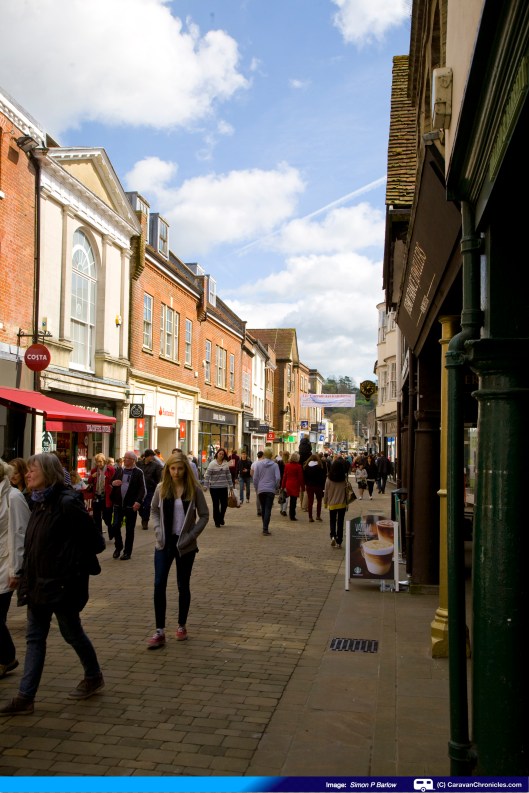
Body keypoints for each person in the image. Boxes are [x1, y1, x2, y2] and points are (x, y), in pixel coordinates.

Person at [0, 453, 105, 715]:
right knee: (35, 638)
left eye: (32, 470)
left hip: (61, 585)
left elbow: (95, 542)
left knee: (71, 633)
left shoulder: (67, 502)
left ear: (48, 472)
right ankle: (25, 697)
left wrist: (67, 564)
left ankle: (93, 675)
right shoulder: (36, 501)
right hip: (38, 583)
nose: (27, 474)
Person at [147, 453, 209, 648]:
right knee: (159, 584)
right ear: (168, 470)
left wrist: (192, 536)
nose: (176, 472)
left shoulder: (194, 489)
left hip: (185, 545)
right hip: (164, 543)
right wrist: (158, 531)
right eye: (173, 468)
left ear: (186, 469)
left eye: (180, 468)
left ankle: (182, 625)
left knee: (183, 585)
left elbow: (204, 515)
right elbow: (154, 510)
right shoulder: (161, 488)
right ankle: (159, 630)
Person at [0, 459, 30, 679]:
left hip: (5, 565)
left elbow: (21, 534)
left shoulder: (13, 497)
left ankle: (7, 657)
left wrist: (16, 570)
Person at [109, 452, 146, 560]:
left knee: (129, 530)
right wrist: (113, 483)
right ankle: (118, 546)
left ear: (133, 460)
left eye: (127, 458)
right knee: (115, 526)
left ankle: (127, 552)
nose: (125, 460)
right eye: (124, 458)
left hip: (131, 505)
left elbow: (142, 489)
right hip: (118, 504)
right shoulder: (119, 470)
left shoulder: (138, 472)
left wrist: (138, 502)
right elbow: (111, 482)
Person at [252, 448, 280, 536]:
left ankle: (264, 527)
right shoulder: (275, 465)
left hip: (261, 489)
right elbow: (278, 478)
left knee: (263, 508)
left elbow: (255, 478)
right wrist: (275, 487)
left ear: (264, 455)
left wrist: (256, 487)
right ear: (271, 455)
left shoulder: (258, 464)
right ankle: (265, 528)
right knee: (268, 508)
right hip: (270, 489)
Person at [87, 454, 115, 537]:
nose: (98, 464)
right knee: (96, 518)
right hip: (96, 496)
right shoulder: (94, 470)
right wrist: (92, 476)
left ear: (104, 461)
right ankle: (99, 536)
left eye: (100, 461)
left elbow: (114, 481)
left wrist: (107, 479)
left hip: (106, 497)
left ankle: (110, 528)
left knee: (107, 517)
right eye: (97, 462)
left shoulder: (110, 469)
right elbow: (89, 481)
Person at [203, 448, 232, 528]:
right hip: (214, 488)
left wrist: (231, 485)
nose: (221, 455)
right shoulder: (212, 464)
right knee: (216, 505)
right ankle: (217, 521)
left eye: (223, 454)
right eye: (220, 454)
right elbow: (207, 475)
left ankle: (221, 517)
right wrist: (205, 485)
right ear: (217, 454)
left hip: (223, 487)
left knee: (224, 504)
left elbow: (228, 475)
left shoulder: (226, 464)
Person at [324, 457, 349, 549]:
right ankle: (339, 541)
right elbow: (347, 492)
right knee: (340, 522)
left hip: (332, 504)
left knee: (332, 521)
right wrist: (347, 503)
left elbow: (326, 492)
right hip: (342, 504)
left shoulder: (328, 479)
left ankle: (333, 536)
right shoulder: (343, 479)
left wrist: (325, 503)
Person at [137, 449, 162, 530]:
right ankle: (143, 515)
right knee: (140, 505)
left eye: (153, 456)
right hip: (139, 488)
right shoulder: (138, 464)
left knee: (147, 505)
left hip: (150, 488)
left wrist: (156, 485)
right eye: (151, 456)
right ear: (146, 456)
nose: (152, 458)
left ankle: (145, 521)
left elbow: (159, 477)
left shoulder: (156, 465)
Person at [303, 454, 327, 523]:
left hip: (309, 486)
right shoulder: (319, 466)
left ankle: (310, 517)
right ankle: (318, 516)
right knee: (319, 501)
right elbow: (323, 477)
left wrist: (306, 484)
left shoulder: (306, 467)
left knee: (310, 501)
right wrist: (323, 486)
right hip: (318, 486)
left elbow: (305, 477)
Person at [282, 452, 305, 521]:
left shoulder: (287, 465)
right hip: (295, 485)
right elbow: (300, 478)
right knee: (293, 501)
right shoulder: (298, 466)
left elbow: (284, 476)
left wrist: (282, 486)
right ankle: (292, 515)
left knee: (287, 498)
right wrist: (303, 487)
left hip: (288, 484)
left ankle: (286, 511)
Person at [298, 436, 312, 510]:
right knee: (307, 489)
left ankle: (301, 504)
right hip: (308, 471)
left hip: (301, 471)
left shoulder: (299, 454)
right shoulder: (309, 454)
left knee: (301, 489)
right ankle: (305, 505)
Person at [251, 451, 264, 516]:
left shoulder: (254, 463)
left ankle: (258, 510)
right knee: (263, 496)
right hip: (263, 482)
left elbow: (251, 473)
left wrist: (254, 477)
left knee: (258, 496)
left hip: (256, 482)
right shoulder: (264, 463)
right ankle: (262, 509)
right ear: (263, 456)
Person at [277, 451, 290, 516]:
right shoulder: (289, 463)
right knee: (286, 496)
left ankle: (281, 509)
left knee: (281, 495)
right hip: (287, 481)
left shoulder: (279, 463)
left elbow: (278, 473)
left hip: (281, 481)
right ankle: (284, 510)